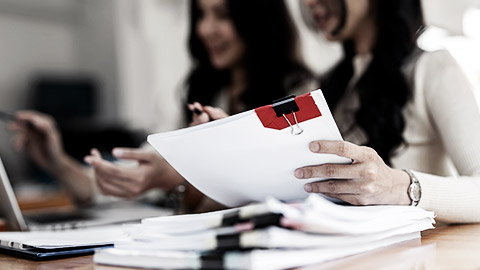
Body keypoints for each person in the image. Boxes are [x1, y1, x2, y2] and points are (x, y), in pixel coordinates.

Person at [9, 0, 314, 210]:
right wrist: (55, 161)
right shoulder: (205, 93)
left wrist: (180, 176)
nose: (206, 29)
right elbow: (114, 183)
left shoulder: (299, 94)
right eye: (201, 14)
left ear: (258, 18)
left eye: (222, 14)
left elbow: (287, 193)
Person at [291, 0, 480, 223]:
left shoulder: (432, 68)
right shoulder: (321, 88)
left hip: (421, 255)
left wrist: (398, 186)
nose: (308, 2)